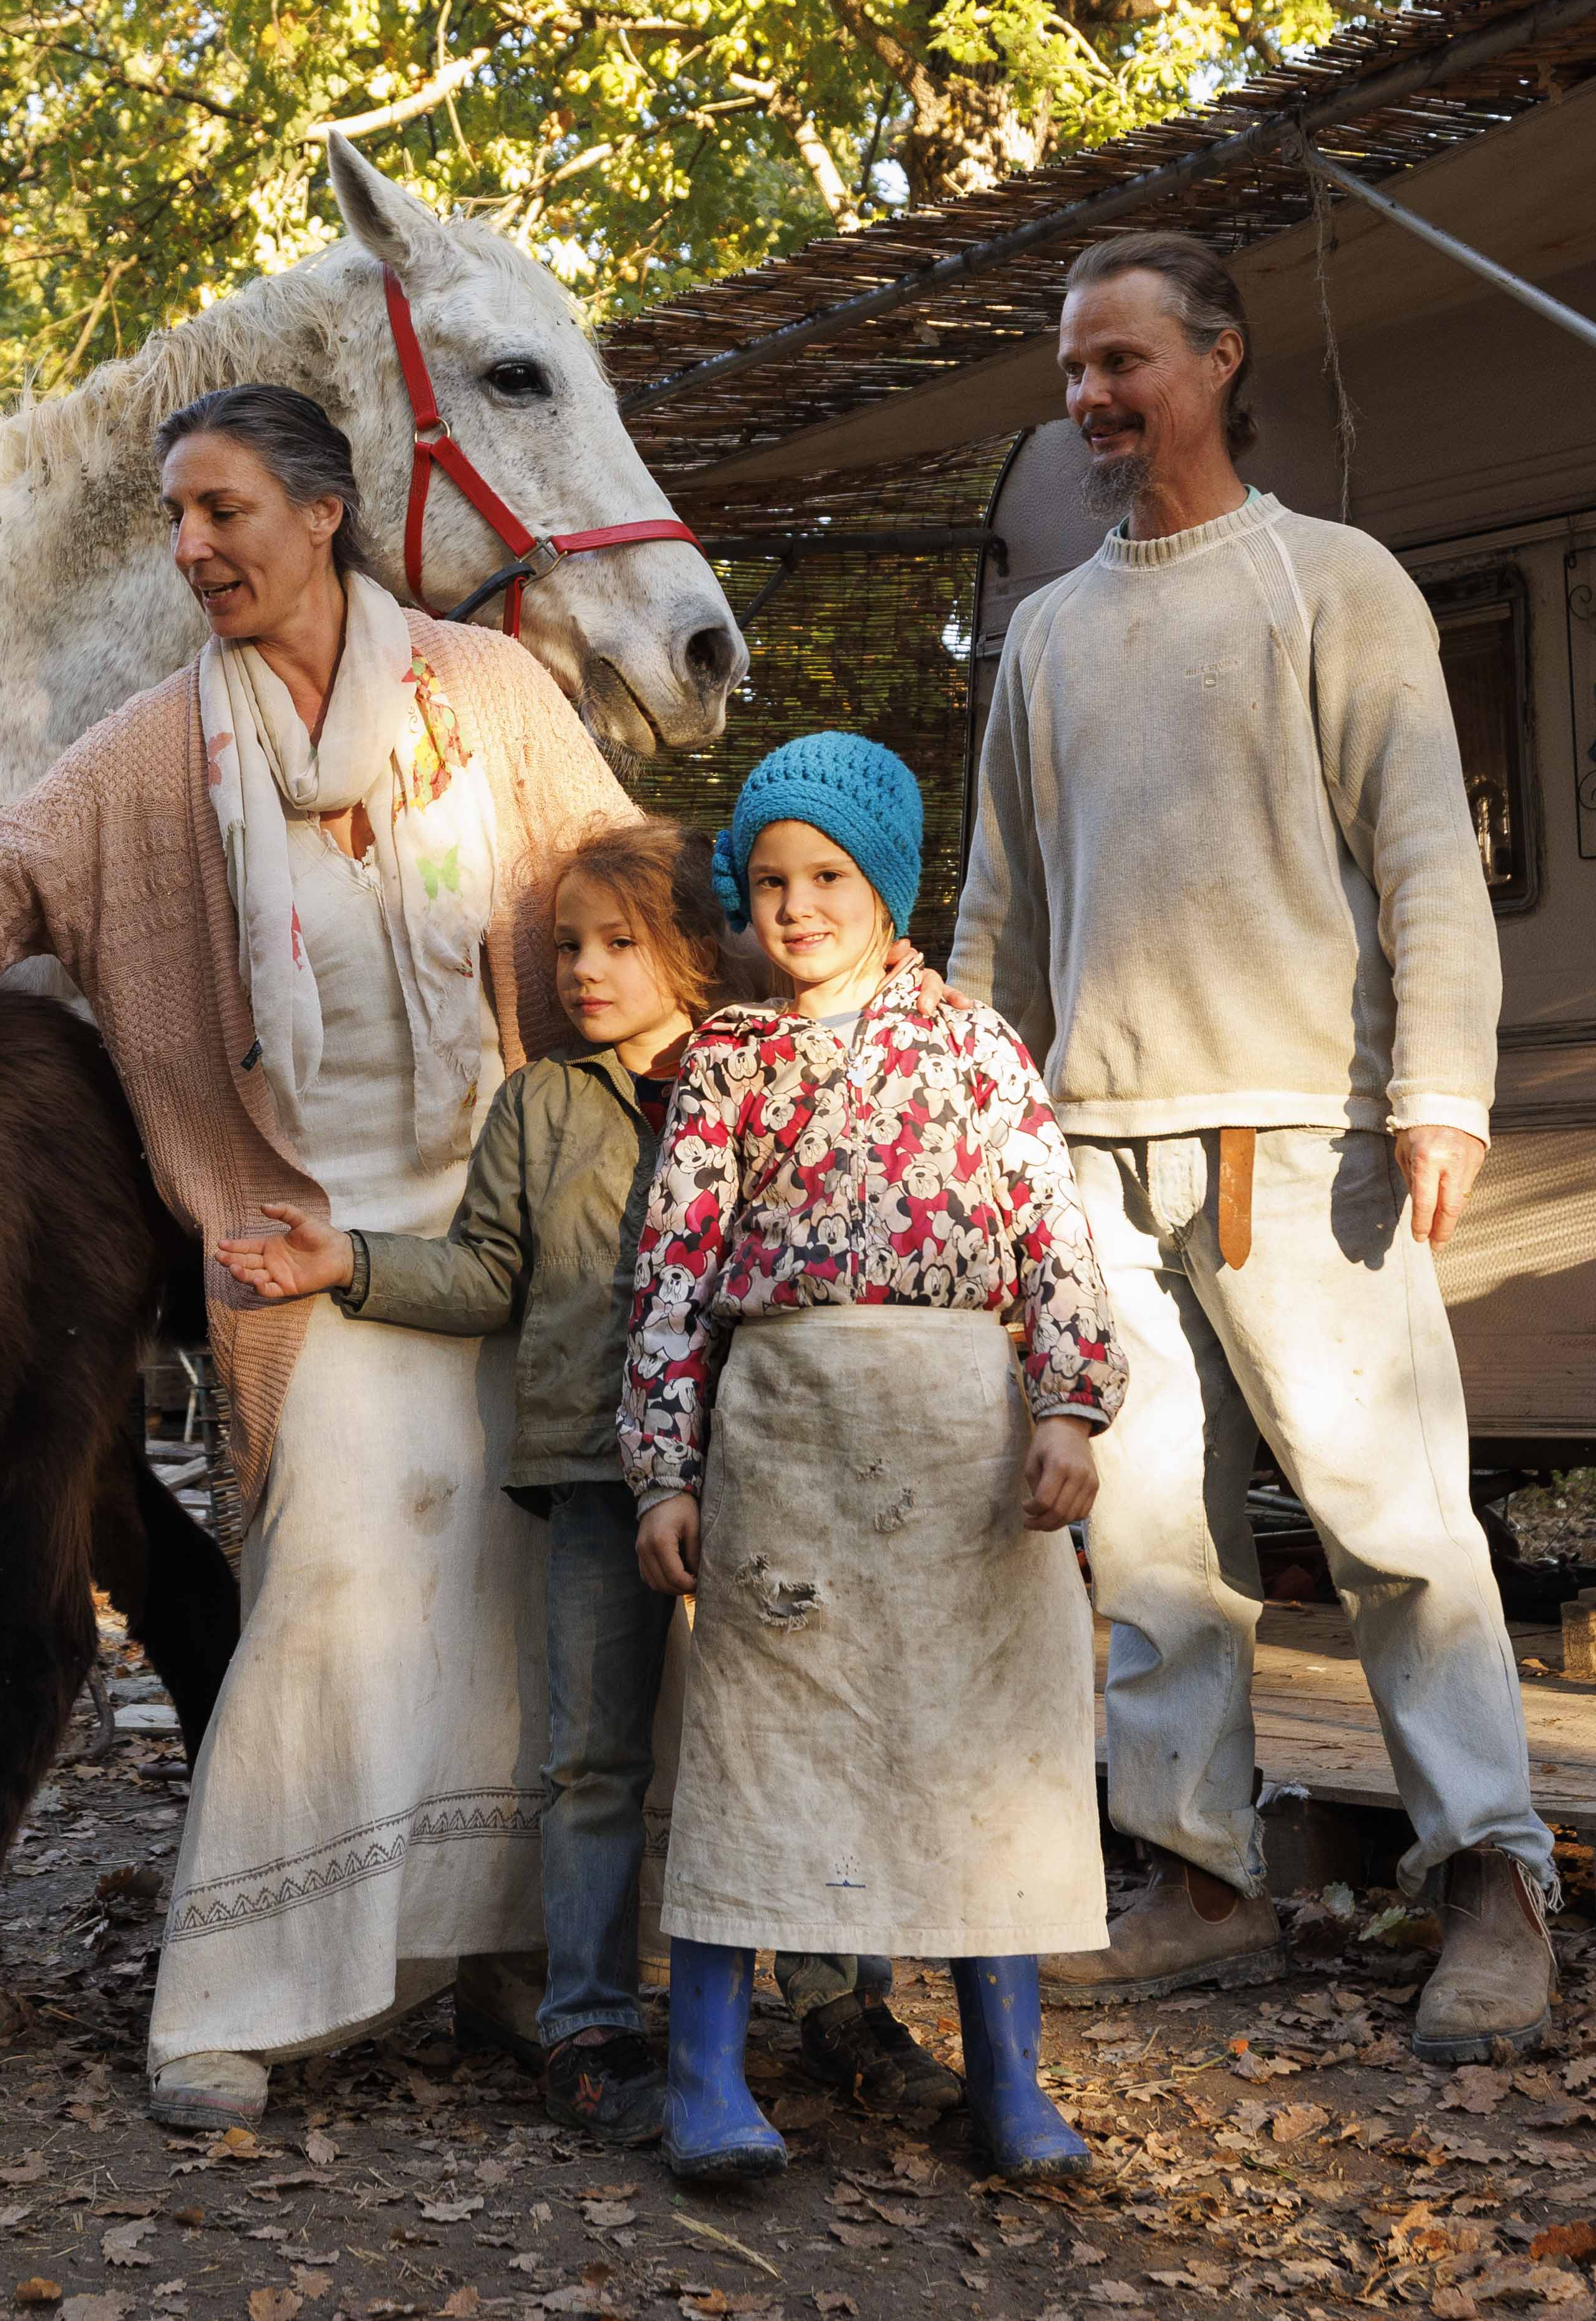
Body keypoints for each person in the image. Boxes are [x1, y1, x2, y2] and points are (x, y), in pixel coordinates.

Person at [0, 383, 636, 2132]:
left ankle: (495, 1962)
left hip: (511, 1210)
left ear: (323, 512)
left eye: (222, 511)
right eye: (176, 518)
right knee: (336, 1578)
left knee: (514, 1596)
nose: (192, 548)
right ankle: (244, 1987)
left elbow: (626, 886)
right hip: (298, 1237)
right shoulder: (161, 752)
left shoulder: (491, 694)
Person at [951, 229, 1551, 2063]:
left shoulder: (1331, 582)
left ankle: (1494, 1884)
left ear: (1217, 359)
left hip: (1306, 1137)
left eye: (1122, 362)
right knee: (1145, 1542)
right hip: (1088, 1157)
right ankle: (1200, 1877)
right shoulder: (1045, 635)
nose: (1091, 400)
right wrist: (975, 1131)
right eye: (1072, 372)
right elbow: (996, 915)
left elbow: (1424, 859)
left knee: (1391, 1526)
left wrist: (1437, 1086)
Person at [210, 821, 965, 2143]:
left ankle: (839, 2004)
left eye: (618, 941)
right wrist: (349, 1261)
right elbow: (488, 1273)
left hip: (768, 1466)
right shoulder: (541, 1105)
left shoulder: (772, 1077)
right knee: (591, 1760)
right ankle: (589, 2022)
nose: (583, 970)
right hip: (592, 1468)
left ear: (688, 945)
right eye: (565, 945)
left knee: (796, 1740)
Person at [619, 732, 1118, 2185]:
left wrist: (1067, 1407)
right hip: (786, 1441)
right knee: (754, 1744)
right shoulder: (723, 1059)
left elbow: (1050, 1234)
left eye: (828, 873)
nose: (796, 904)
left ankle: (1007, 2078)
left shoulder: (975, 1047)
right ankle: (708, 2070)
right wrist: (664, 1464)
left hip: (960, 1447)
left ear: (888, 881)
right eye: (768, 877)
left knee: (976, 1746)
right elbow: (668, 1268)